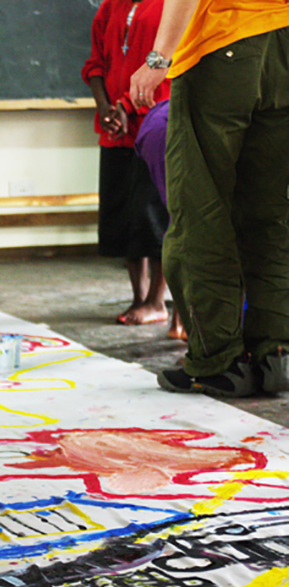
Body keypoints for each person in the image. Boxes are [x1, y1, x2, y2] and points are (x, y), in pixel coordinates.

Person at [131, 0, 289, 396]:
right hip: (283, 45)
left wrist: (158, 57)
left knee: (200, 211)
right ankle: (274, 352)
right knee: (270, 214)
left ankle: (218, 362)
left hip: (223, 46)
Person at [82, 0, 172, 327]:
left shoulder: (168, 6)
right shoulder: (109, 8)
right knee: (124, 216)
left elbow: (166, 66)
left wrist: (124, 105)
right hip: (115, 130)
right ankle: (139, 296)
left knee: (155, 216)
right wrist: (106, 107)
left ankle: (157, 301)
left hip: (153, 125)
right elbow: (95, 65)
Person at [132, 99, 185, 340]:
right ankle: (183, 321)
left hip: (163, 126)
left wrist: (154, 62)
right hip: (163, 128)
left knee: (184, 225)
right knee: (183, 225)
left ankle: (184, 322)